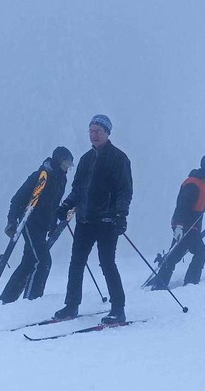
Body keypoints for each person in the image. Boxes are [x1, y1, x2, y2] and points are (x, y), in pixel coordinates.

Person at [53, 114, 133, 324]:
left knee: (107, 263)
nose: (94, 135)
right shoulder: (86, 159)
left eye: (98, 131)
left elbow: (124, 191)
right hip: (85, 220)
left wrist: (120, 215)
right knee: (76, 263)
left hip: (107, 222)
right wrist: (66, 206)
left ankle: (118, 309)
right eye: (91, 131)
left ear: (107, 133)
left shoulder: (119, 158)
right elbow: (78, 189)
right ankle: (71, 305)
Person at [0, 146, 74, 304]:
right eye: (66, 163)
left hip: (42, 226)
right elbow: (17, 199)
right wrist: (11, 221)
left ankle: (7, 299)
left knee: (29, 261)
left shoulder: (61, 179)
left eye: (70, 165)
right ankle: (32, 301)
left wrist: (53, 224)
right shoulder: (41, 176)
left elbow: (53, 205)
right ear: (58, 161)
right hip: (30, 223)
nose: (68, 168)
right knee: (43, 261)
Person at [151, 154, 205, 290]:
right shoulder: (193, 183)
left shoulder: (202, 183)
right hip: (186, 226)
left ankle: (160, 282)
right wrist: (179, 226)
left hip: (191, 226)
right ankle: (191, 283)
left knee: (175, 254)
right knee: (201, 252)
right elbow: (182, 206)